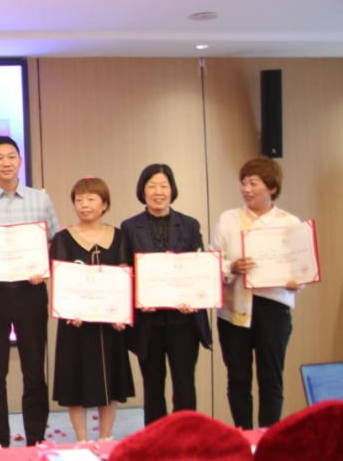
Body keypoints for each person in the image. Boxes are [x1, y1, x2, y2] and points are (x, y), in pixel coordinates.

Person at [0, 136, 60, 448]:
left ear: (20, 160)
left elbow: (54, 242)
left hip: (30, 291)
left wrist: (42, 267)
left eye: (11, 156)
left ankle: (36, 438)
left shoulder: (40, 200)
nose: (5, 162)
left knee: (34, 370)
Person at [212, 157, 302, 429]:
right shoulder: (229, 219)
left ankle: (268, 438)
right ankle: (243, 437)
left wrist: (297, 281)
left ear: (272, 187)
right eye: (243, 183)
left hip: (273, 308)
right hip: (234, 309)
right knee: (238, 379)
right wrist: (232, 267)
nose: (246, 189)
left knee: (271, 378)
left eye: (253, 183)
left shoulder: (290, 222)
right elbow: (213, 261)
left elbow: (301, 268)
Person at [120, 164, 211, 426]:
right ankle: (155, 440)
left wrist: (194, 298)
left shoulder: (190, 224)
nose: (158, 192)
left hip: (183, 319)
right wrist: (138, 298)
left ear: (172, 189)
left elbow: (198, 267)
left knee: (184, 384)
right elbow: (125, 271)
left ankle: (186, 438)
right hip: (148, 320)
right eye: (152, 186)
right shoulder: (129, 227)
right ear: (143, 190)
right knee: (152, 385)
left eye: (163, 186)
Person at [50, 177, 135, 442]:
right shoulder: (63, 238)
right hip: (74, 323)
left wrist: (122, 314)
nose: (84, 205)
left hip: (110, 324)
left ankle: (105, 438)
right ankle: (82, 439)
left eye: (91, 199)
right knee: (75, 380)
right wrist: (68, 311)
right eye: (79, 200)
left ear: (104, 204)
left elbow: (125, 278)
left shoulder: (119, 237)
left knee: (110, 380)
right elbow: (60, 281)